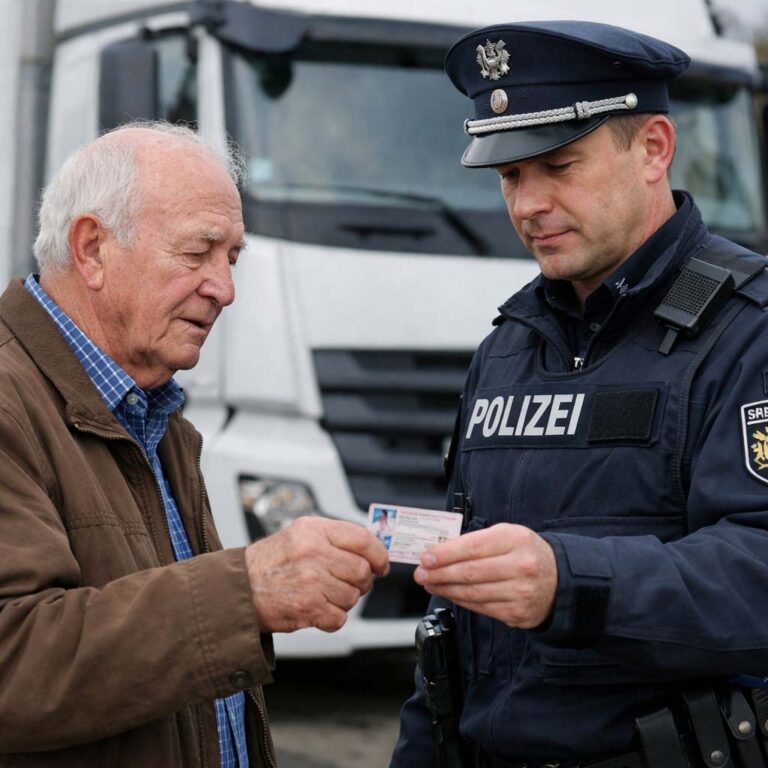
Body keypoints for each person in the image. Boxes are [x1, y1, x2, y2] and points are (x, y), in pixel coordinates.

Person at [391, 20, 768, 768]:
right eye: (509, 178)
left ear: (653, 149)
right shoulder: (508, 346)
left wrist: (571, 583)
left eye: (558, 166)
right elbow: (451, 620)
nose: (529, 204)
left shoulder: (747, 334)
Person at [0, 121, 389, 768]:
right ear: (92, 249)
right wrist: (248, 593)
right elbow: (13, 662)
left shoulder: (157, 419)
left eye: (231, 257)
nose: (224, 289)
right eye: (197, 252)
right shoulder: (11, 403)